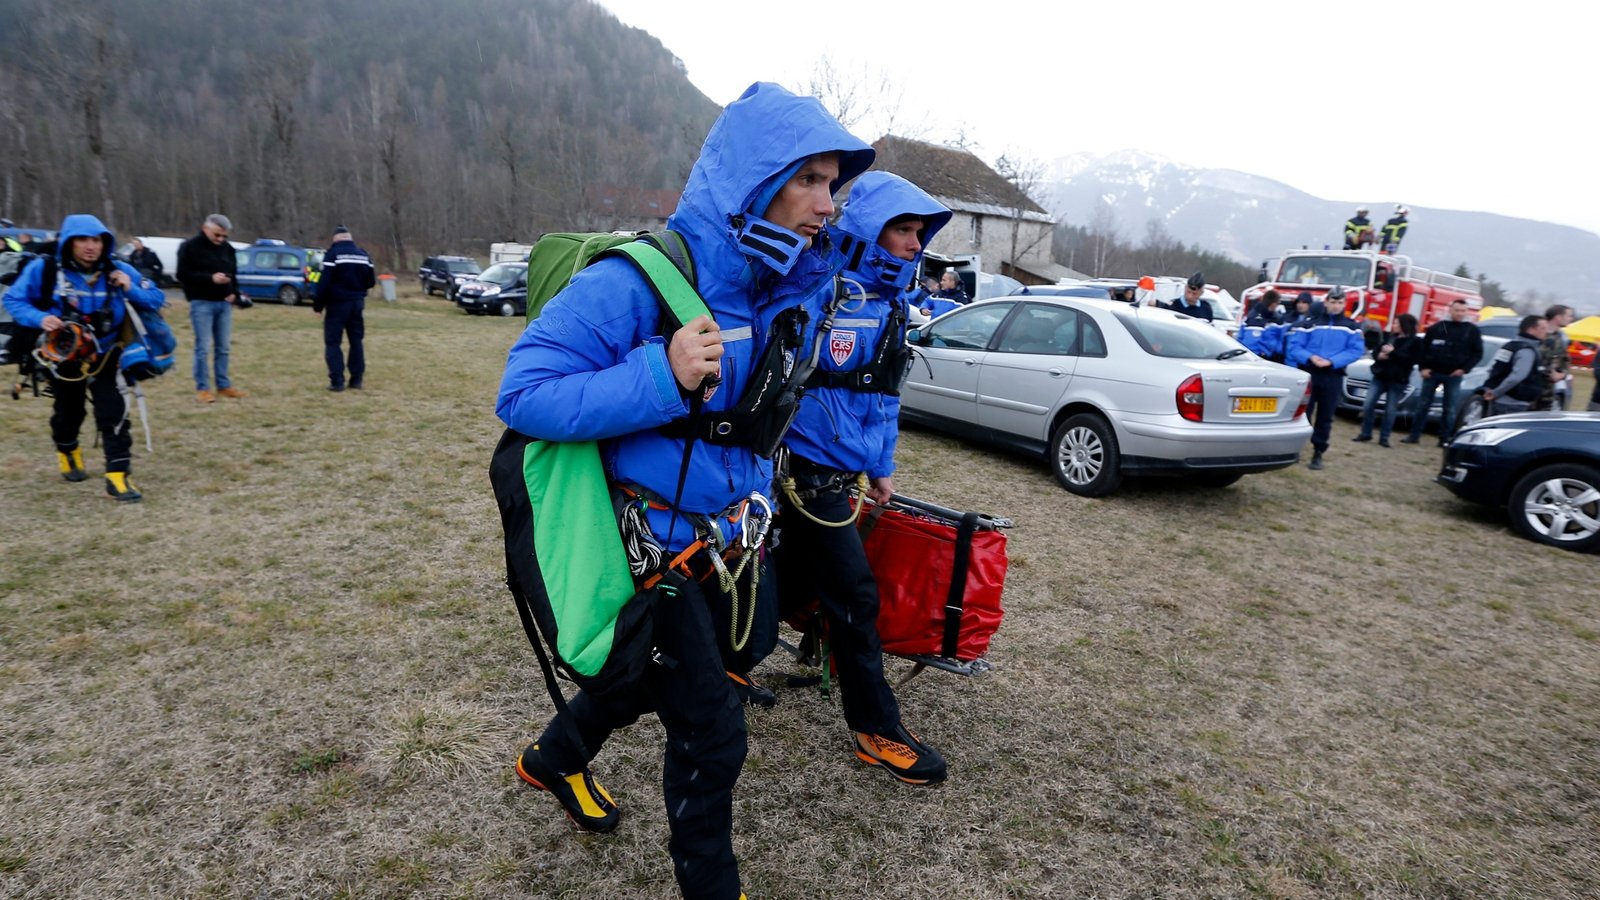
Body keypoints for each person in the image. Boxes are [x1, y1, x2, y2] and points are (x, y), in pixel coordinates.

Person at [495, 81, 872, 900]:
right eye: (807, 178)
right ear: (753, 180)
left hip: (731, 542)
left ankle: (549, 760)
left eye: (832, 184)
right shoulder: (640, 279)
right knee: (712, 733)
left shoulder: (784, 289)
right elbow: (522, 393)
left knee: (640, 679)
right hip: (649, 548)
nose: (824, 203)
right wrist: (658, 376)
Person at [775, 171, 952, 787]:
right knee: (854, 597)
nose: (913, 243)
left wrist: (879, 466)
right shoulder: (825, 289)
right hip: (797, 473)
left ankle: (730, 664)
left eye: (919, 233)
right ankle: (876, 729)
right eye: (901, 228)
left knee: (783, 580)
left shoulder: (892, 305)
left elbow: (881, 400)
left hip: (836, 477)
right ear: (867, 232)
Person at [3, 214, 165, 501]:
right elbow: (13, 300)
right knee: (69, 412)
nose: (91, 246)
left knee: (114, 412)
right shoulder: (46, 269)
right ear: (69, 242)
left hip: (107, 354)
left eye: (96, 240)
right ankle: (67, 449)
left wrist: (130, 287)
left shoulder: (118, 268)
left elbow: (156, 299)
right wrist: (42, 319)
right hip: (65, 357)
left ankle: (118, 475)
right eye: (83, 240)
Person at [1286, 286, 1365, 470]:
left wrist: (1332, 361)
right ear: (1326, 302)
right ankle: (1295, 449)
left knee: (1325, 416)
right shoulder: (1310, 324)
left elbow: (1355, 350)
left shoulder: (1351, 326)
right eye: (1333, 302)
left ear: (1344, 304)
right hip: (1310, 372)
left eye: (1340, 302)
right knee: (1302, 413)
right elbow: (1295, 346)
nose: (1336, 306)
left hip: (1332, 375)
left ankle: (1318, 451)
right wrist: (1310, 357)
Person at [177, 213, 246, 402]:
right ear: (205, 228)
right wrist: (210, 278)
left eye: (224, 236)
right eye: (217, 235)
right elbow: (182, 274)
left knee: (223, 347)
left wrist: (234, 293)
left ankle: (223, 386)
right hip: (201, 303)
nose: (220, 239)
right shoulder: (189, 247)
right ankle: (203, 388)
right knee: (203, 347)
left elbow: (234, 274)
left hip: (224, 303)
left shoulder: (228, 249)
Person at [1403, 298, 1482, 445]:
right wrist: (1423, 368)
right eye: (1457, 310)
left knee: (1450, 408)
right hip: (1432, 373)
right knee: (1423, 405)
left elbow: (1477, 353)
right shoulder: (1436, 328)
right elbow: (1423, 350)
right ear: (1450, 310)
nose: (1460, 313)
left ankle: (1444, 439)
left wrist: (1464, 369)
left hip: (1453, 376)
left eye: (1463, 311)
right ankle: (1414, 436)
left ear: (1467, 312)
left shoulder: (1472, 331)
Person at [312, 226, 375, 392]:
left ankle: (337, 381)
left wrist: (318, 305)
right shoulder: (363, 255)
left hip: (337, 304)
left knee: (333, 342)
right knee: (356, 342)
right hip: (357, 303)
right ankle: (356, 380)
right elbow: (371, 281)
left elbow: (324, 283)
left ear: (335, 239)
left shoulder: (333, 255)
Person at [1353, 313, 1422, 446]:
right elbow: (1376, 351)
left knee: (1390, 410)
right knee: (1368, 405)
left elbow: (1410, 360)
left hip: (1398, 380)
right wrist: (1378, 355)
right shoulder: (1390, 337)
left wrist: (1392, 353)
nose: (1394, 325)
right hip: (1380, 376)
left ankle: (1384, 438)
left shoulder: (1415, 342)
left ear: (1404, 325)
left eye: (1397, 323)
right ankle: (1366, 433)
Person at [1481, 315, 1549, 415]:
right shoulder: (1526, 350)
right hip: (1513, 402)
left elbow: (1494, 368)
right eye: (1543, 328)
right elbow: (1517, 377)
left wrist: (1492, 390)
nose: (1546, 332)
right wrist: (1496, 392)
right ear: (1531, 329)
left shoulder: (1509, 346)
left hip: (1499, 399)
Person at [1539, 304, 1574, 410]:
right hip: (1530, 389)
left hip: (1548, 393)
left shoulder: (1561, 338)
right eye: (1568, 316)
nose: (1570, 319)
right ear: (1558, 317)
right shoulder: (1538, 333)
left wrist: (1561, 374)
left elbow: (1565, 360)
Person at [1238, 289, 1285, 361]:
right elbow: (1276, 341)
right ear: (1273, 304)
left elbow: (1240, 337)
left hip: (1246, 356)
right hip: (1263, 357)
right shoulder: (1275, 319)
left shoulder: (1249, 316)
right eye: (1277, 303)